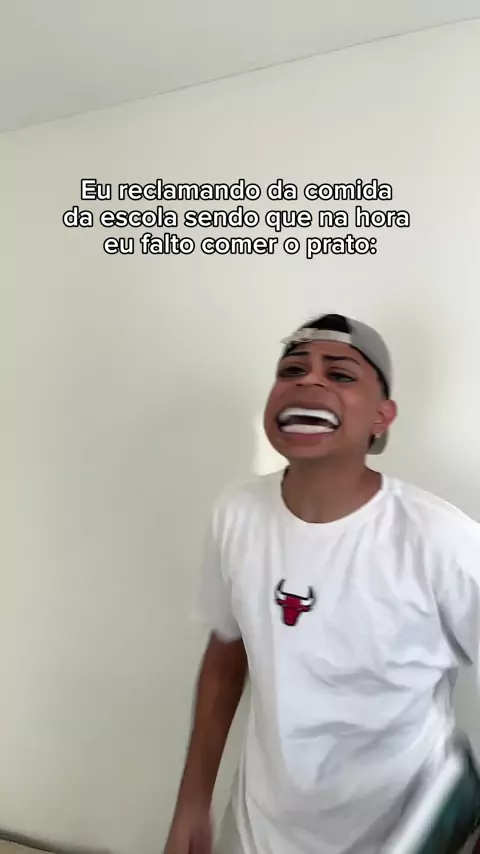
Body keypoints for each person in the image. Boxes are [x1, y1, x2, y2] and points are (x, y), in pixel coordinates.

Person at [163, 313, 480, 854]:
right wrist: (193, 800)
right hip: (261, 830)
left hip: (402, 830)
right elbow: (225, 658)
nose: (308, 380)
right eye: (291, 369)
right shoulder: (236, 514)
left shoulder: (441, 539)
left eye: (340, 374)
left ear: (382, 417)